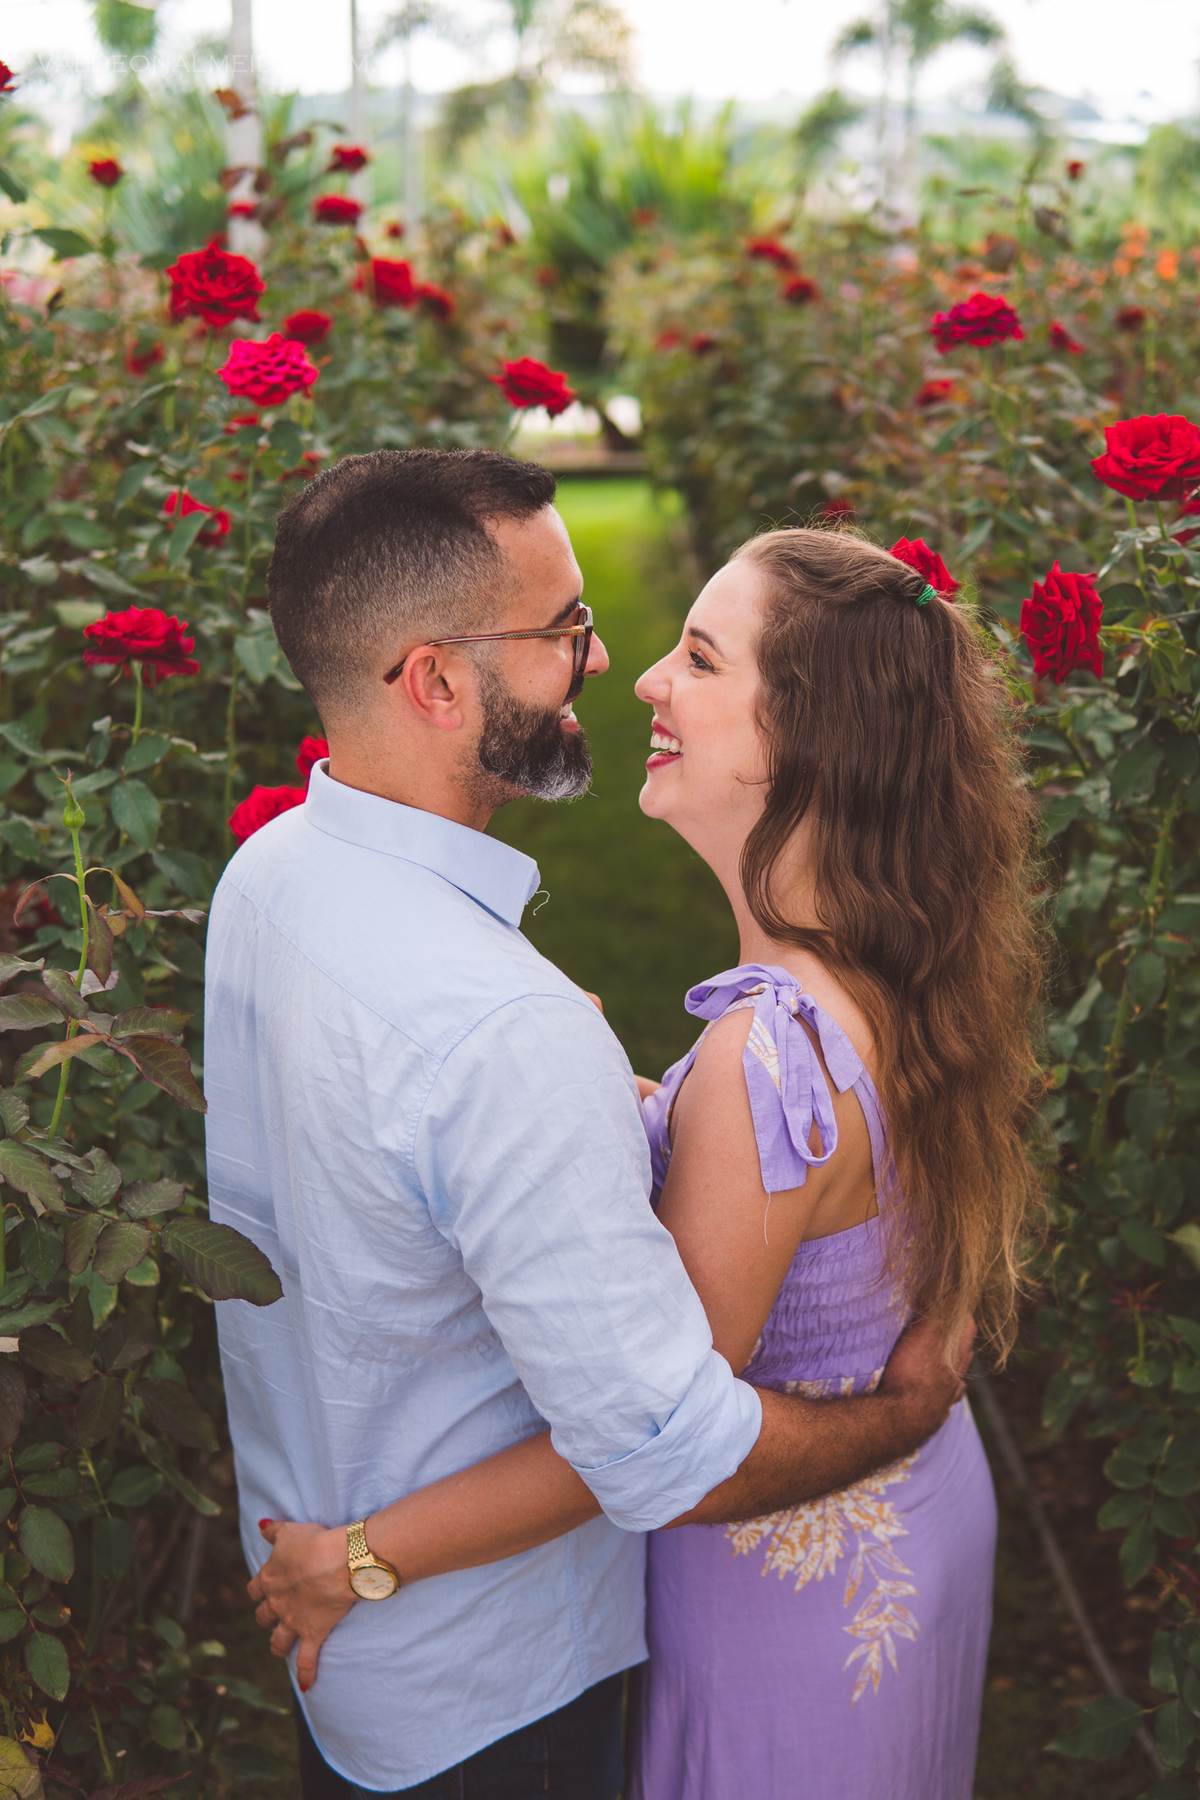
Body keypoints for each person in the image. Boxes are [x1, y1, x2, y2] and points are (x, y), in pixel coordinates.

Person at [206, 448, 968, 1800]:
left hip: (357, 1639)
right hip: (499, 1684)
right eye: (565, 629)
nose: (611, 663)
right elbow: (668, 1447)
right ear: (436, 681)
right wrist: (903, 1413)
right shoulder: (505, 1031)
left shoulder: (269, 878)